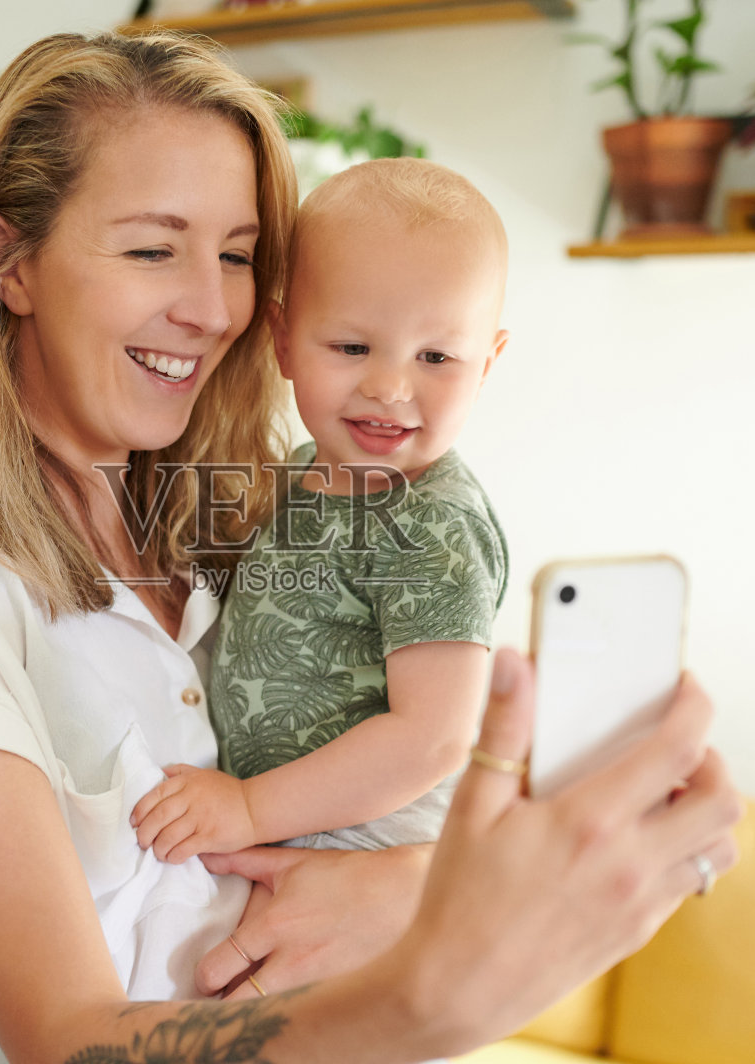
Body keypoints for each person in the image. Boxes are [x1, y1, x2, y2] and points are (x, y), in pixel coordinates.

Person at [0, 29, 743, 1064]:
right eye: (153, 249)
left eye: (236, 256)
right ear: (9, 263)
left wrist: (405, 887)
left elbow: (406, 768)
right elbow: (65, 1040)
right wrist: (430, 993)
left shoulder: (252, 524)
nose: (212, 307)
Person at [130, 158, 511, 861]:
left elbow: (433, 737)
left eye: (436, 357)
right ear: (283, 341)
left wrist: (250, 807)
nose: (391, 387)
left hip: (366, 839)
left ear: (486, 364)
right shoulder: (299, 471)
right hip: (281, 825)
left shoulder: (434, 525)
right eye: (352, 347)